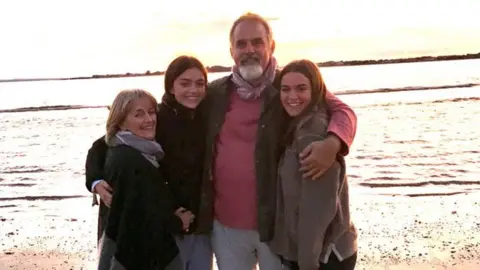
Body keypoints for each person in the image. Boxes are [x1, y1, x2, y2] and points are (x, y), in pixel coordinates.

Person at [194, 13, 358, 270]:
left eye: (257, 42)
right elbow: (170, 119)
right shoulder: (215, 92)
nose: (249, 50)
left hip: (277, 228)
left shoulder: (290, 85)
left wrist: (334, 143)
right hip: (226, 227)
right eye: (241, 44)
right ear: (231, 51)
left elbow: (344, 111)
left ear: (271, 46)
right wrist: (106, 167)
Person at [85, 56, 213, 270]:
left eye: (200, 83)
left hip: (200, 223)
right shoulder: (156, 117)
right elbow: (102, 146)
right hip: (166, 226)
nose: (193, 90)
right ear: (171, 86)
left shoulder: (207, 115)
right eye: (184, 83)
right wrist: (95, 181)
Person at [269, 59, 358, 270]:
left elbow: (316, 210)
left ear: (316, 90)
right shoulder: (297, 124)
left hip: (323, 257)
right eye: (285, 89)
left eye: (301, 89)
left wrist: (307, 263)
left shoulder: (313, 134)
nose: (292, 96)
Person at [97, 89, 191, 270]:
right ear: (121, 122)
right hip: (138, 257)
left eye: (151, 112)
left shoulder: (125, 148)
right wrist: (178, 222)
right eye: (138, 114)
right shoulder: (131, 162)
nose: (149, 119)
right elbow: (138, 217)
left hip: (120, 247)